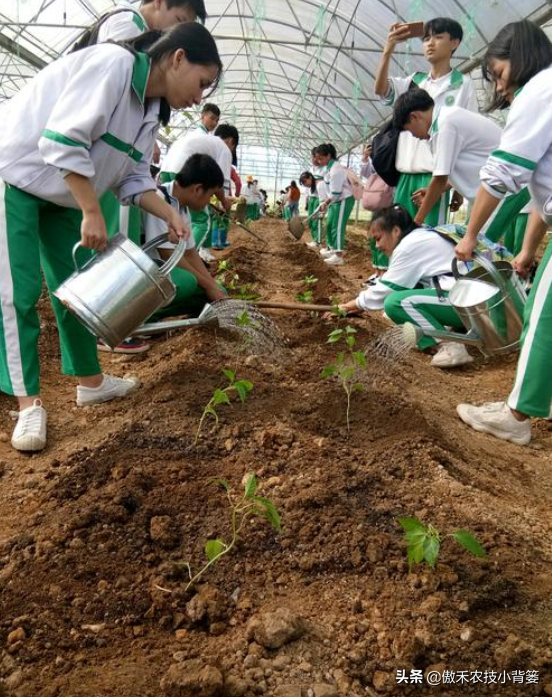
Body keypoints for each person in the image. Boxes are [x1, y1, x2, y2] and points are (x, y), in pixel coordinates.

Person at [0, 23, 222, 452]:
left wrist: (169, 215)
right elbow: (62, 140)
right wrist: (89, 209)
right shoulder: (115, 65)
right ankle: (28, 404)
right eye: (201, 83)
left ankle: (91, 382)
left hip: (63, 193)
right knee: (17, 294)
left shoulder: (151, 109)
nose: (199, 98)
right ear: (178, 58)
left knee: (76, 290)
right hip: (18, 178)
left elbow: (133, 177)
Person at [452, 20, 552, 445]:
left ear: (520, 59)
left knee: (543, 318)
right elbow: (542, 195)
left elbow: (504, 172)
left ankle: (517, 415)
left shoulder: (541, 89)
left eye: (499, 73)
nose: (501, 86)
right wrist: (528, 250)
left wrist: (469, 235)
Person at [330, 206, 473, 367]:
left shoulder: (408, 246)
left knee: (395, 304)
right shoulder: (419, 237)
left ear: (396, 231)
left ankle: (449, 346)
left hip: (469, 303)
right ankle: (454, 329)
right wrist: (357, 306)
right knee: (405, 295)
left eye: (378, 238)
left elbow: (386, 289)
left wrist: (348, 306)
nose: (377, 246)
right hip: (470, 299)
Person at [374, 18, 478, 229]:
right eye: (426, 38)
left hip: (434, 178)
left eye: (438, 37)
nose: (430, 43)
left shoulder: (463, 85)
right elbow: (381, 90)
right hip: (404, 175)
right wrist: (388, 51)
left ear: (454, 43)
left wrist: (455, 188)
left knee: (427, 236)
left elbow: (468, 138)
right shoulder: (415, 81)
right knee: (399, 236)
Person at [142, 153, 227, 316]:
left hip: (163, 270)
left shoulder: (182, 207)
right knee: (188, 282)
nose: (209, 202)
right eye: (210, 195)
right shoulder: (158, 199)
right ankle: (141, 318)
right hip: (149, 270)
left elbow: (190, 253)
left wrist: (213, 285)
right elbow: (167, 255)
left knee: (216, 289)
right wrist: (208, 286)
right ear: (198, 189)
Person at [159, 123, 238, 262]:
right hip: (183, 169)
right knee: (202, 221)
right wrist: (224, 202)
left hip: (166, 168)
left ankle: (173, 255)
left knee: (176, 217)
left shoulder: (204, 140)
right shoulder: (224, 149)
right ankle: (183, 258)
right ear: (231, 141)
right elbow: (221, 184)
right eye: (234, 147)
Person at [315, 143, 355, 266]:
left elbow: (336, 192)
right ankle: (332, 249)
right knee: (330, 224)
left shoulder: (336, 169)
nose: (318, 161)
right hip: (335, 201)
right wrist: (324, 202)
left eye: (320, 158)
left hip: (343, 200)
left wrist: (326, 203)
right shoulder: (329, 168)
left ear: (329, 156)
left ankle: (339, 256)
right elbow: (330, 190)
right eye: (317, 158)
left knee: (338, 227)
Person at [299, 171, 320, 248]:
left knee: (315, 221)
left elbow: (324, 196)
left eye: (305, 182)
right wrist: (307, 204)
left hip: (318, 200)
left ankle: (317, 241)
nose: (305, 184)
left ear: (310, 177)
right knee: (310, 221)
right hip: (312, 200)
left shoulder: (319, 184)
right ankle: (314, 240)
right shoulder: (309, 187)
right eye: (303, 183)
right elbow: (307, 195)